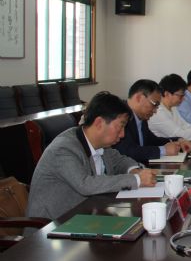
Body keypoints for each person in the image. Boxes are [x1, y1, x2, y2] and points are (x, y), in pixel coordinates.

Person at [26, 92, 158, 220]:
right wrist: (136, 179)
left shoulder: (101, 144)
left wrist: (134, 170)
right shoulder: (63, 148)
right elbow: (86, 184)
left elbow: (119, 160)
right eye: (120, 126)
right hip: (53, 225)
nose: (123, 134)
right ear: (99, 123)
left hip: (87, 215)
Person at [114, 79, 191, 164]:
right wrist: (163, 150)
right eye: (154, 104)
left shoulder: (141, 116)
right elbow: (129, 151)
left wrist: (178, 141)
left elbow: (152, 140)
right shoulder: (120, 116)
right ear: (139, 98)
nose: (155, 111)